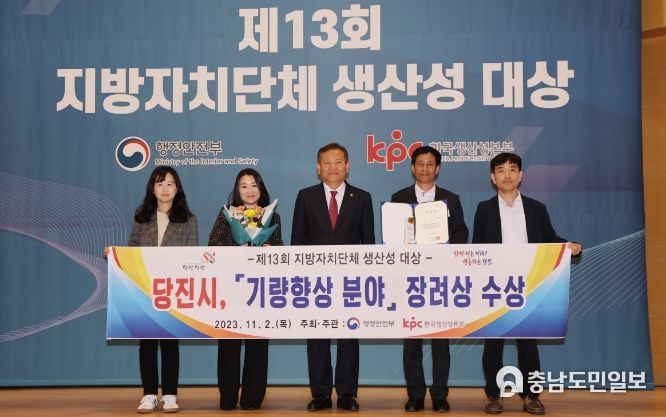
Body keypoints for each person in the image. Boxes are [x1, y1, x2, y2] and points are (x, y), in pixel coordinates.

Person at [472, 153, 582, 415]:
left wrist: (569, 247)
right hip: (495, 286)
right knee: (493, 345)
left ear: (520, 175)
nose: (507, 175)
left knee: (528, 345)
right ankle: (494, 394)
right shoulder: (484, 209)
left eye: (512, 169)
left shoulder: (536, 208)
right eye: (501, 170)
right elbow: (477, 248)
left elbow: (549, 239)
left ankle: (531, 395)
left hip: (530, 285)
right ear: (493, 177)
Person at [291, 143, 375, 412]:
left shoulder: (362, 198)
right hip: (316, 282)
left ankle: (347, 393)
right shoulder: (306, 196)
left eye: (338, 162)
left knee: (349, 337)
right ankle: (321, 393)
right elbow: (297, 241)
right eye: (326, 162)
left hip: (351, 282)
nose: (332, 167)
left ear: (347, 166)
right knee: (317, 337)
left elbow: (369, 244)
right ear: (318, 168)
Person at [391, 146, 469, 413]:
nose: (425, 168)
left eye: (430, 164)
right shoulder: (399, 198)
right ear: (413, 168)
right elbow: (393, 236)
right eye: (420, 164)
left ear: (437, 169)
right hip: (410, 278)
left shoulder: (451, 199)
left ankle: (439, 395)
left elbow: (461, 233)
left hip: (439, 278)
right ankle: (415, 395)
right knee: (412, 339)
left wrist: (445, 250)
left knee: (440, 341)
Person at [208, 168, 283, 411]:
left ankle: (253, 398)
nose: (249, 190)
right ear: (237, 190)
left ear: (260, 188)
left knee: (257, 346)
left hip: (260, 289)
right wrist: (236, 251)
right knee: (228, 346)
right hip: (230, 289)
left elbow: (280, 248)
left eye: (254, 185)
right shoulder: (227, 215)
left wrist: (270, 248)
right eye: (244, 186)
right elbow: (212, 245)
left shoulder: (272, 216)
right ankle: (228, 398)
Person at [126, 166, 198, 413]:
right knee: (146, 344)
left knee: (170, 344)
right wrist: (114, 255)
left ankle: (169, 395)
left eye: (170, 184)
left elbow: (192, 256)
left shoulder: (188, 219)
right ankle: (148, 395)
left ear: (177, 188)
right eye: (160, 184)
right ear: (152, 188)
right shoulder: (141, 216)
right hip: (145, 288)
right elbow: (132, 251)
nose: (165, 189)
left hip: (173, 289)